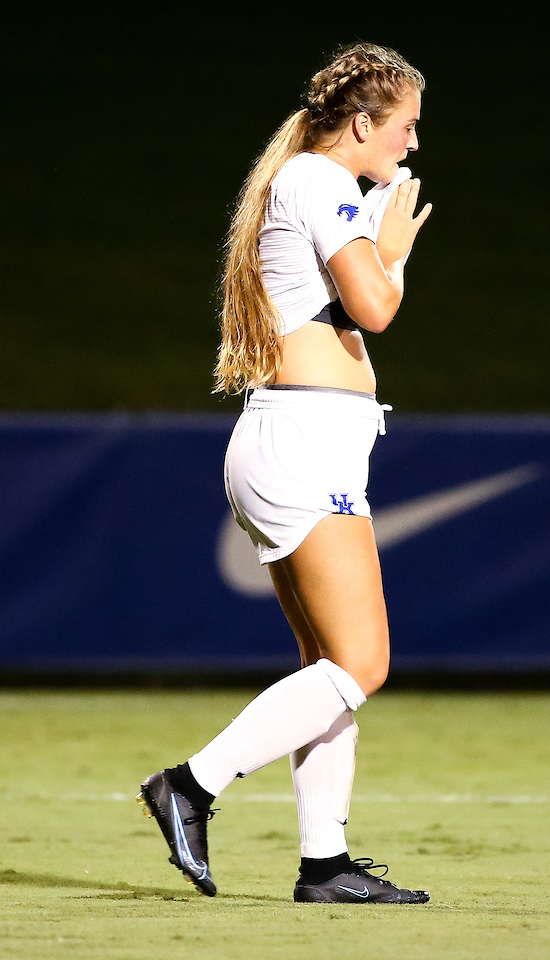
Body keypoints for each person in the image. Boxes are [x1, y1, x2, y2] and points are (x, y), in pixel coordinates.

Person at [137, 42, 432, 905]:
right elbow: (375, 310)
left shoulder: (312, 183)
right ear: (365, 122)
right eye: (405, 127)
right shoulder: (320, 181)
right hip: (304, 440)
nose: (411, 145)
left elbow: (360, 307)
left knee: (329, 666)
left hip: (304, 439)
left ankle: (325, 864)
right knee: (363, 664)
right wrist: (388, 249)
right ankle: (190, 785)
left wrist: (386, 250)